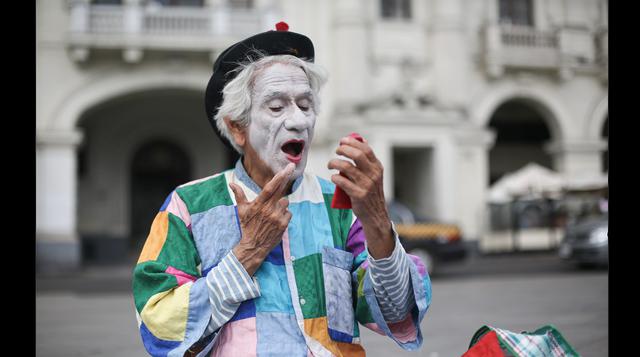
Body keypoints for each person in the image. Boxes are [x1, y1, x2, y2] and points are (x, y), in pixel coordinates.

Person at [132, 22, 431, 357]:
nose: (299, 121)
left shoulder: (341, 206)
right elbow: (159, 323)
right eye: (276, 107)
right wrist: (247, 254)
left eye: (306, 105)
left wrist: (377, 223)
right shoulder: (188, 205)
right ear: (237, 127)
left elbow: (397, 314)